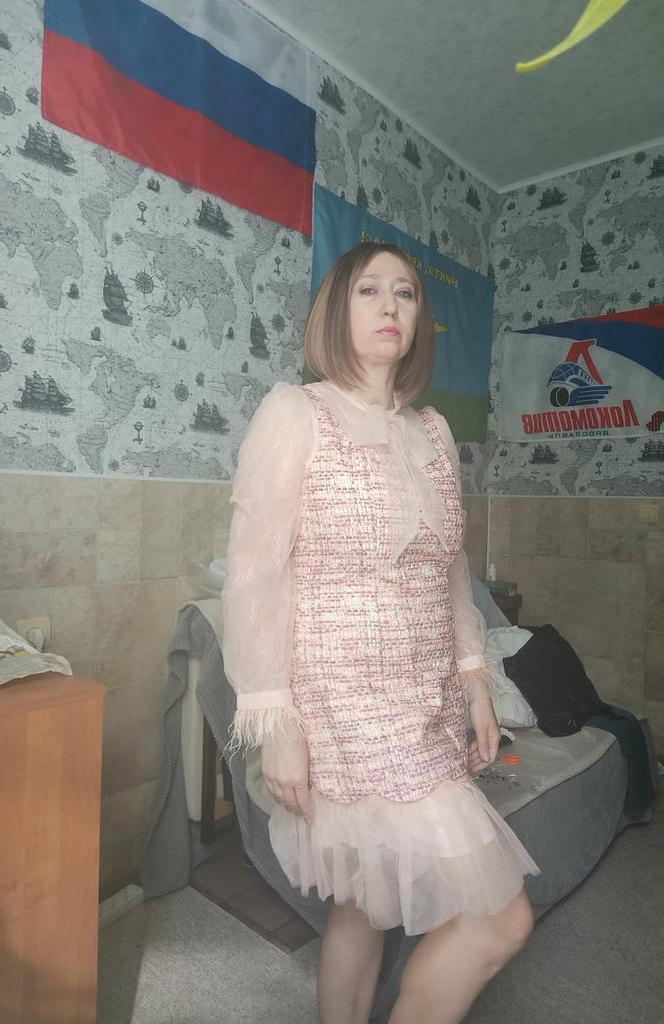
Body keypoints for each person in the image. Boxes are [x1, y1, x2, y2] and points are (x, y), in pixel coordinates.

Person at [222, 242, 538, 1024]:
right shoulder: (297, 412)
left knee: (362, 904)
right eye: (369, 290)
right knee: (502, 921)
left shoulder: (433, 432)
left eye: (405, 293)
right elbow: (255, 576)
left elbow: (449, 570)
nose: (391, 305)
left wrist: (475, 679)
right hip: (343, 701)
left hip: (426, 695)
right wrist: (275, 723)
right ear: (337, 308)